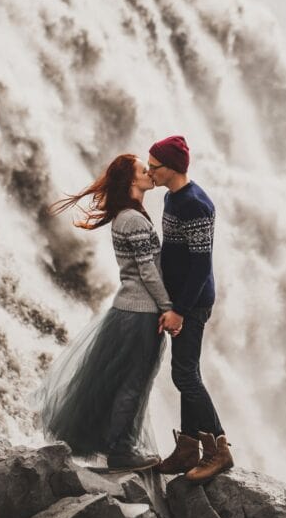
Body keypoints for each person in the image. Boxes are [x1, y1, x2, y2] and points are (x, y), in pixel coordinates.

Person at [34, 154, 173, 472]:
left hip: (130, 310)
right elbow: (148, 272)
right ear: (131, 181)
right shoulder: (133, 219)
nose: (149, 173)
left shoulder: (129, 215)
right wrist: (167, 308)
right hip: (140, 312)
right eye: (143, 170)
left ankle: (118, 444)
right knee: (133, 381)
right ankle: (121, 450)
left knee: (123, 380)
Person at [149, 135, 234, 482]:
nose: (148, 171)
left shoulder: (195, 205)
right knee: (186, 372)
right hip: (180, 299)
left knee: (185, 374)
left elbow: (201, 266)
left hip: (193, 303)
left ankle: (219, 451)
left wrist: (180, 310)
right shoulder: (172, 196)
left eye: (154, 167)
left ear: (171, 169)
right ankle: (187, 449)